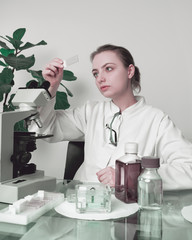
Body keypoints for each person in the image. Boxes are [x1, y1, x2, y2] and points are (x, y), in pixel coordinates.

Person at [30, 44, 192, 190]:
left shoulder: (156, 120)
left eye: (108, 68)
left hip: (127, 210)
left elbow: (188, 169)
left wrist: (132, 175)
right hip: (82, 204)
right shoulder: (90, 111)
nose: (100, 78)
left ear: (130, 71)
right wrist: (52, 87)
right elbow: (45, 129)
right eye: (95, 73)